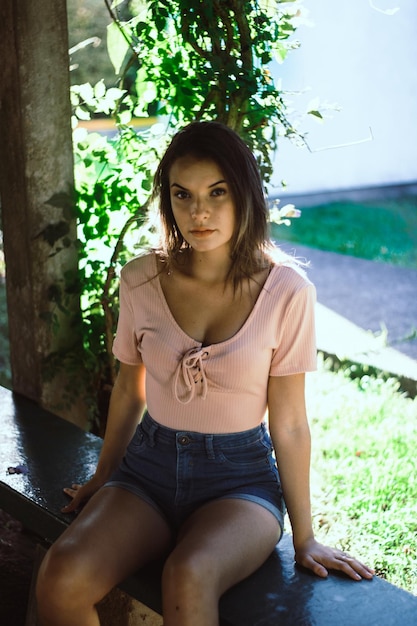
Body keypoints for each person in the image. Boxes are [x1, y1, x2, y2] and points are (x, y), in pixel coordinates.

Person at [36, 121, 374, 626]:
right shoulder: (142, 278)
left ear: (245, 195)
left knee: (189, 574)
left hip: (239, 482)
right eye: (183, 194)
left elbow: (290, 422)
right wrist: (105, 475)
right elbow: (131, 390)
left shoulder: (287, 293)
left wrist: (305, 537)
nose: (199, 212)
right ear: (167, 200)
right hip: (146, 471)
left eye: (217, 192)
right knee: (61, 574)